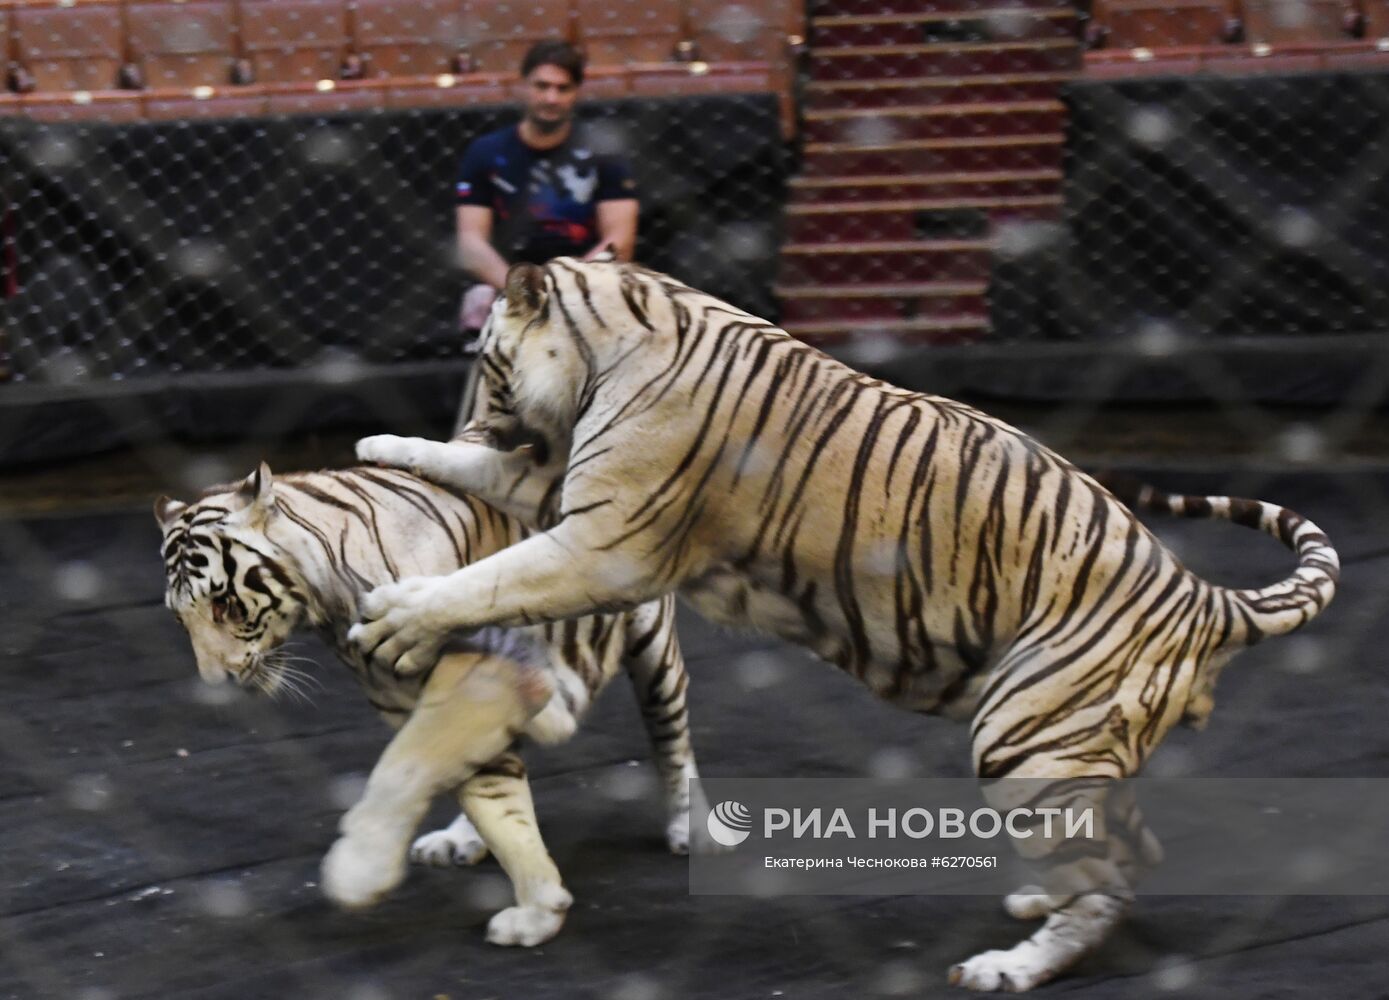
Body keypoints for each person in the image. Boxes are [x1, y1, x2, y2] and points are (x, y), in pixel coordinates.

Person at [454, 39, 639, 338]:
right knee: (477, 303)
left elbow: (620, 242)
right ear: (523, 86)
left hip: (586, 282)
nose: (551, 97)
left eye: (562, 88)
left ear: (576, 92)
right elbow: (470, 244)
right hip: (508, 281)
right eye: (542, 86)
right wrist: (523, 292)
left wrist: (565, 291)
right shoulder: (485, 152)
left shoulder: (604, 152)